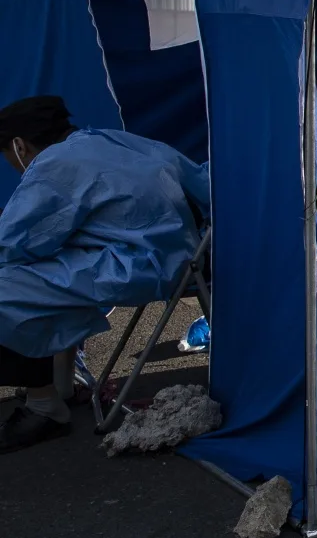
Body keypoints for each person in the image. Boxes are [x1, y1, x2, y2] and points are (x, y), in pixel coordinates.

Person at [0, 96, 209, 454]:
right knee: (46, 275)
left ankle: (44, 407)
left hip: (140, 268)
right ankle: (60, 384)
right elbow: (202, 184)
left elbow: (12, 242)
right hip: (192, 255)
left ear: (19, 146)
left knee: (12, 283)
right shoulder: (117, 140)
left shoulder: (53, 165)